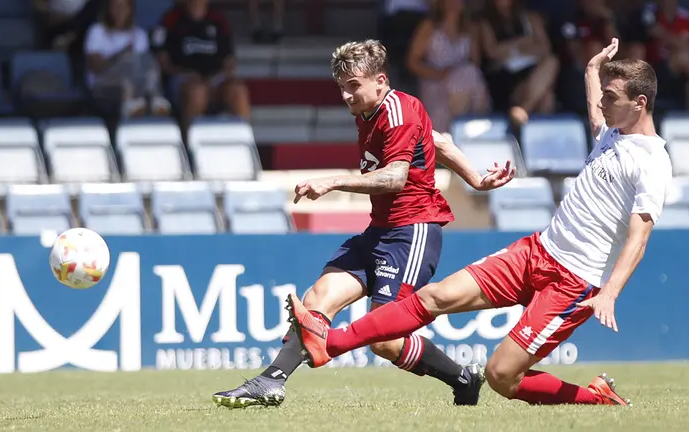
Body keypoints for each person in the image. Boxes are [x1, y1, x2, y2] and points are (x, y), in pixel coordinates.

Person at [288, 38, 673, 407]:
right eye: (603, 95)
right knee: (432, 297)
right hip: (536, 251)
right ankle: (331, 343)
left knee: (501, 375)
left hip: (574, 280)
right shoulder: (610, 133)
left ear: (639, 103)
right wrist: (592, 69)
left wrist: (610, 293)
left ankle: (597, 397)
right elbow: (593, 105)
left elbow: (638, 239)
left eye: (611, 97)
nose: (602, 104)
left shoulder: (652, 162)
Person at [212, 39, 515, 409]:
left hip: (413, 231)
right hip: (380, 230)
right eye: (341, 87)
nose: (346, 95)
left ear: (380, 81)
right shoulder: (370, 113)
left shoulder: (400, 110)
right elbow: (437, 141)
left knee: (384, 339)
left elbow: (394, 179)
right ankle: (270, 381)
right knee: (317, 299)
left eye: (353, 85)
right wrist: (476, 179)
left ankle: (463, 379)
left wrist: (333, 181)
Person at [406, 0, 490, 133]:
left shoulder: (470, 29)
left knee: (469, 73)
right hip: (435, 83)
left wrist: (456, 74)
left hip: (465, 84)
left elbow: (475, 62)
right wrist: (439, 74)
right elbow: (412, 62)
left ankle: (468, 128)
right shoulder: (429, 27)